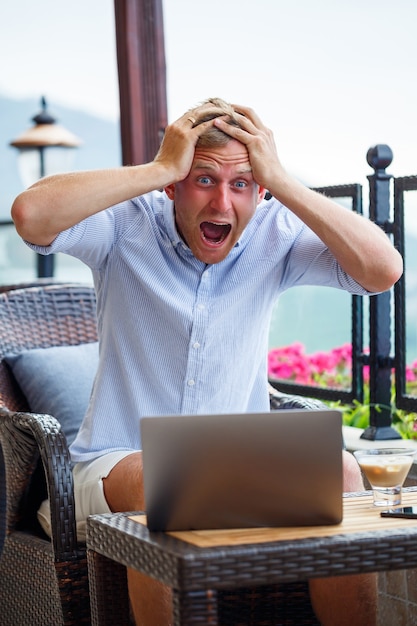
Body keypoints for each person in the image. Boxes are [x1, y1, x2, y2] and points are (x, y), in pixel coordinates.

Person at [11, 98, 402, 626]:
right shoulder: (126, 225)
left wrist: (280, 179)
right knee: (168, 478)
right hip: (116, 469)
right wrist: (158, 167)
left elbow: (383, 272)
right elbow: (30, 216)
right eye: (202, 179)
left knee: (341, 468)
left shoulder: (273, 233)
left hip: (236, 468)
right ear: (174, 185)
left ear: (260, 191)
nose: (222, 201)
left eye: (241, 183)